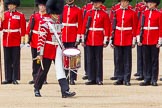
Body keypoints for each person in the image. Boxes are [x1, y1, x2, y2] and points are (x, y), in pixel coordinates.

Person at [34, 0, 76, 98]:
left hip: (57, 49)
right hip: (47, 50)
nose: (57, 15)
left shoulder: (57, 22)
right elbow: (41, 38)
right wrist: (40, 53)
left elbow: (59, 37)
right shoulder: (44, 21)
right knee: (44, 70)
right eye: (56, 14)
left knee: (60, 69)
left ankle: (65, 91)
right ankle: (36, 88)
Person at [81, 0, 111, 85]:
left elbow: (107, 27)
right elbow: (84, 26)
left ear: (101, 3)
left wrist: (106, 40)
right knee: (90, 59)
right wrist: (83, 39)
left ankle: (99, 78)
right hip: (90, 38)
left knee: (98, 59)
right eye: (94, 2)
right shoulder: (89, 13)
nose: (96, 4)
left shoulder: (104, 14)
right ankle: (91, 78)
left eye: (97, 2)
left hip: (98, 39)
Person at [110, 0, 138, 86]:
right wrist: (112, 39)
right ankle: (119, 78)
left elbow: (135, 27)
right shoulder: (116, 12)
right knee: (118, 59)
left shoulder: (132, 13)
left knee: (127, 60)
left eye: (125, 2)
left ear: (128, 3)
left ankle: (126, 78)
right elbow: (113, 26)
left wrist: (134, 40)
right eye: (122, 1)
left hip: (127, 38)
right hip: (118, 38)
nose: (124, 3)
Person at [137, 0, 162, 86]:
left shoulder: (159, 14)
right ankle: (147, 78)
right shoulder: (144, 13)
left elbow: (160, 28)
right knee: (146, 60)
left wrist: (160, 40)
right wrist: (139, 38)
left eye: (151, 3)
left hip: (154, 40)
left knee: (154, 60)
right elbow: (139, 26)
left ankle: (153, 79)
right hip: (145, 40)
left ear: (155, 4)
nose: (149, 4)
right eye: (148, 2)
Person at [0, 0, 26, 84]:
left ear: (15, 5)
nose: (9, 6)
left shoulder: (20, 15)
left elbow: (23, 29)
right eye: (9, 5)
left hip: (15, 40)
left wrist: (22, 41)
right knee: (7, 59)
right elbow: (1, 28)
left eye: (11, 5)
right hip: (6, 40)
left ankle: (15, 78)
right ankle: (8, 78)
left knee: (15, 60)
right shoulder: (4, 15)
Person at [26, 0, 49, 84]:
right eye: (40, 6)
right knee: (35, 60)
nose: (42, 7)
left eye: (43, 6)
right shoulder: (34, 16)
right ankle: (35, 77)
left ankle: (43, 78)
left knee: (43, 61)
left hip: (43, 42)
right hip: (35, 41)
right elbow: (29, 29)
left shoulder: (48, 16)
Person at [61, 0, 83, 85]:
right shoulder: (62, 9)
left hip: (73, 35)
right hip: (63, 36)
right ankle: (65, 76)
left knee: (73, 58)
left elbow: (80, 24)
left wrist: (78, 38)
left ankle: (73, 78)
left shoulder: (78, 10)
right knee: (64, 57)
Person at [134, 0, 147, 81]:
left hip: (148, 35)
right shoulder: (140, 8)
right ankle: (140, 71)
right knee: (140, 54)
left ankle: (145, 73)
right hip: (141, 33)